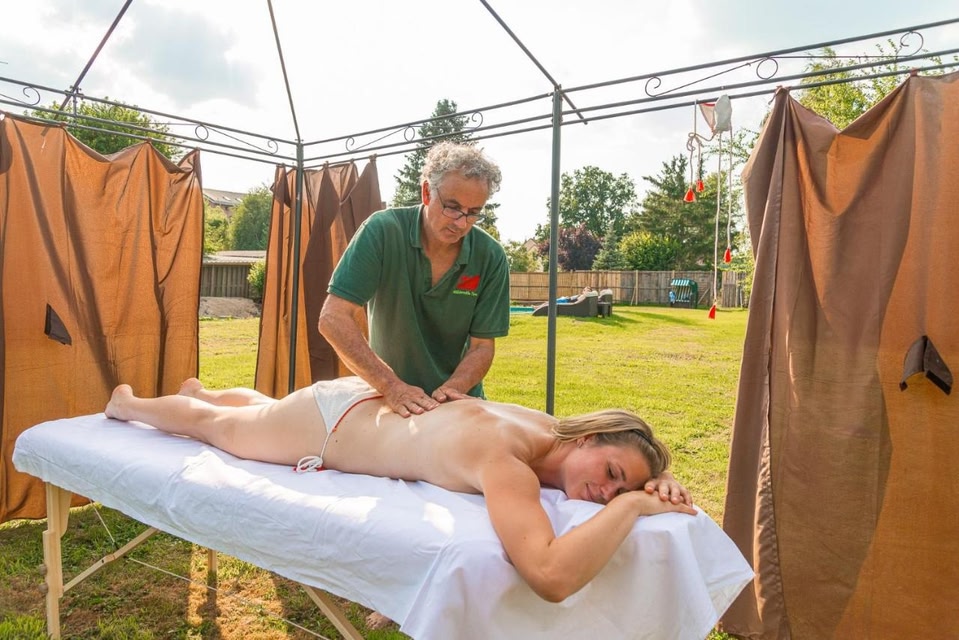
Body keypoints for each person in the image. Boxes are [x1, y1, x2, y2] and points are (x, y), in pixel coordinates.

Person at [104, 377, 697, 603]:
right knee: (220, 430)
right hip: (329, 424)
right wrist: (636, 505)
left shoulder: (547, 426)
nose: (606, 493)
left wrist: (655, 480)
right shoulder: (506, 459)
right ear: (589, 438)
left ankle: (205, 390)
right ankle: (129, 404)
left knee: (261, 411)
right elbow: (550, 575)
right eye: (612, 474)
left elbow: (625, 465)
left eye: (620, 489)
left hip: (359, 403)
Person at [319, 141, 510, 418]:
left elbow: (482, 346)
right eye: (452, 207)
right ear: (426, 192)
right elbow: (333, 318)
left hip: (457, 401)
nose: (460, 223)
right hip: (389, 400)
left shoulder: (490, 256)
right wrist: (391, 386)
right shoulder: (383, 231)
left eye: (473, 213)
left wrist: (451, 391)